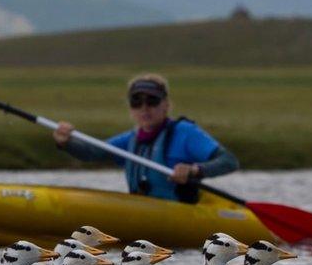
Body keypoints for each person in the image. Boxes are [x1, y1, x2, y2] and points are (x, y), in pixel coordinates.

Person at [53, 74, 239, 203]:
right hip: (145, 212)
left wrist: (195, 170)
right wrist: (65, 141)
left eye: (152, 101)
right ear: (130, 107)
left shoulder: (185, 133)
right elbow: (90, 153)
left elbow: (229, 161)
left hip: (181, 213)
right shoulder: (129, 140)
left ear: (166, 105)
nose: (144, 108)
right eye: (137, 102)